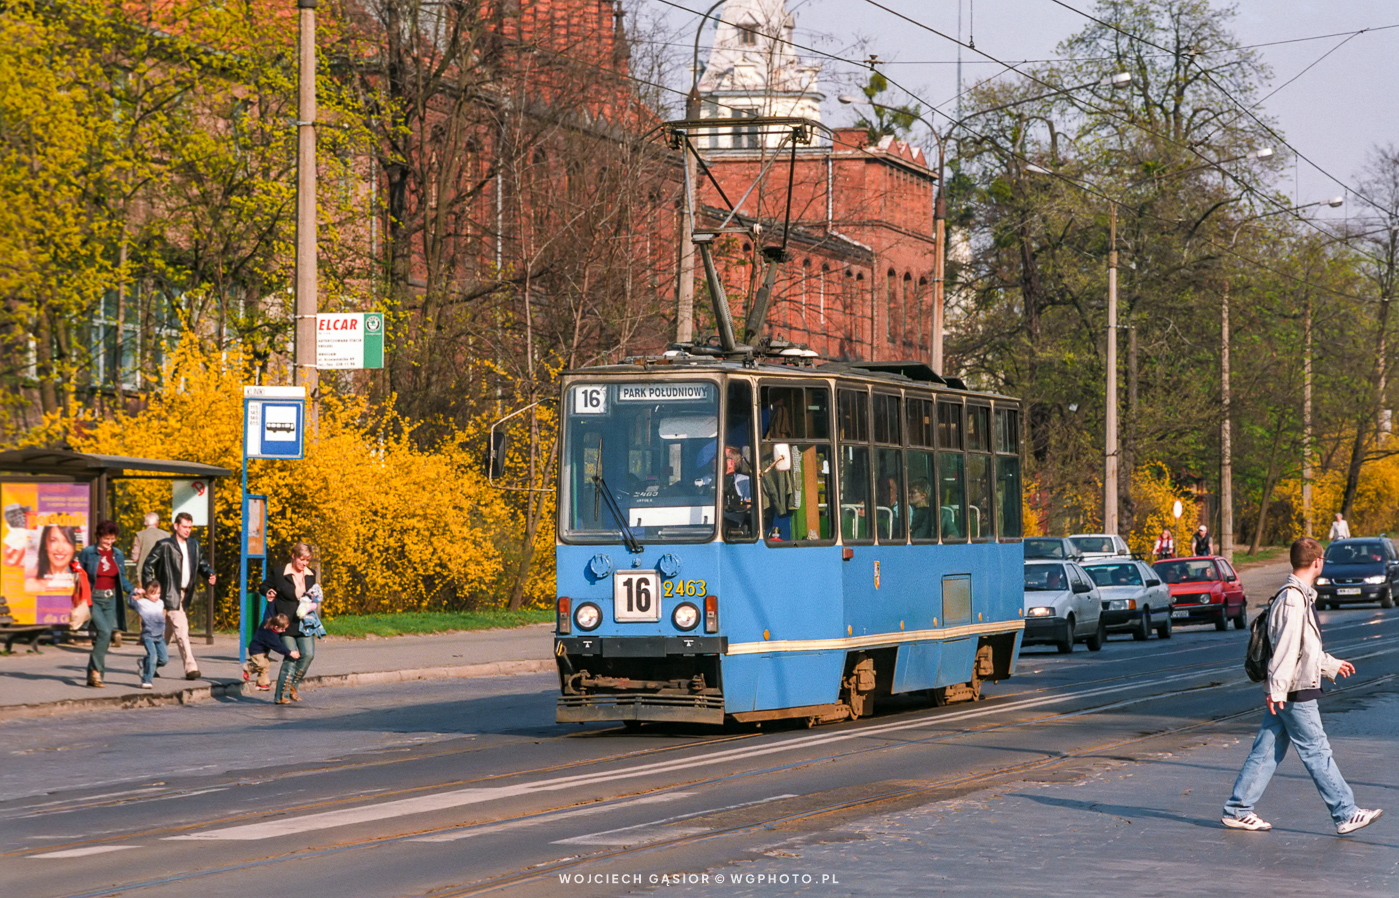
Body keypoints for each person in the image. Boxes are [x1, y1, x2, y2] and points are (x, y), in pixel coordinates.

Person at [1221, 537, 1382, 835]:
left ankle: (1238, 809)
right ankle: (1345, 812)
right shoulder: (1293, 598)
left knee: (1266, 750)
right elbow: (1285, 649)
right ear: (1318, 562)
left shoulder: (1297, 595)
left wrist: (1330, 665)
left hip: (1289, 688)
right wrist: (1276, 690)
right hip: (1294, 692)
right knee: (1317, 751)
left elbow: (1304, 648)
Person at [141, 512, 216, 680]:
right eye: (184, 527)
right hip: (168, 594)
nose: (187, 530)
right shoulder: (164, 545)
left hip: (184, 594)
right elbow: (148, 565)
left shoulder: (195, 546)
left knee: (163, 635)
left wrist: (210, 574)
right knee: (182, 630)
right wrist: (150, 588)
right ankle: (191, 667)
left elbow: (202, 564)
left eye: (190, 527)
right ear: (176, 526)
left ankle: (150, 663)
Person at [76, 521, 137, 688]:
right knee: (103, 632)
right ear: (98, 537)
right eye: (106, 539)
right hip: (93, 599)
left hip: (111, 600)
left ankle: (93, 675)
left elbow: (122, 578)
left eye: (112, 539)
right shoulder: (88, 553)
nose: (109, 542)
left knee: (105, 635)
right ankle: (96, 672)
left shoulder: (118, 554)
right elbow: (78, 573)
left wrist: (132, 590)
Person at [259, 542, 319, 705]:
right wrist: (268, 592)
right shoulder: (280, 573)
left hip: (304, 622)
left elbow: (313, 594)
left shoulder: (310, 573)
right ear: (293, 556)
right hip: (285, 622)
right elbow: (263, 586)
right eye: (302, 560)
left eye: (307, 560)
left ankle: (292, 685)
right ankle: (280, 696)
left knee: (308, 654)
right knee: (291, 657)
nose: (305, 564)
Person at [130, 580, 167, 689]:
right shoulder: (142, 603)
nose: (157, 596)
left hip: (159, 636)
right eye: (153, 593)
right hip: (148, 635)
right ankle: (146, 680)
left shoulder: (160, 603)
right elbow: (130, 603)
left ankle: (144, 662)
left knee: (164, 659)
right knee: (153, 657)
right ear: (146, 594)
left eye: (158, 593)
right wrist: (134, 594)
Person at [24, 524, 78, 593]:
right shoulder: (31, 586)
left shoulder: (81, 586)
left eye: (67, 541)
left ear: (75, 547)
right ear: (45, 544)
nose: (60, 549)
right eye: (54, 541)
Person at [243, 613, 289, 692]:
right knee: (261, 664)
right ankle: (248, 668)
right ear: (276, 627)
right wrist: (290, 652)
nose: (284, 631)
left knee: (266, 665)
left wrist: (271, 602)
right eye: (282, 629)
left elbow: (270, 611)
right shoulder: (270, 634)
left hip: (263, 651)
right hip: (256, 650)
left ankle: (262, 683)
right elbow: (279, 647)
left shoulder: (268, 621)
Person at [131, 512, 170, 577]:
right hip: (162, 574)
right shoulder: (166, 535)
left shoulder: (139, 535)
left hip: (144, 574)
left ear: (146, 522)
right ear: (157, 522)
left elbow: (135, 558)